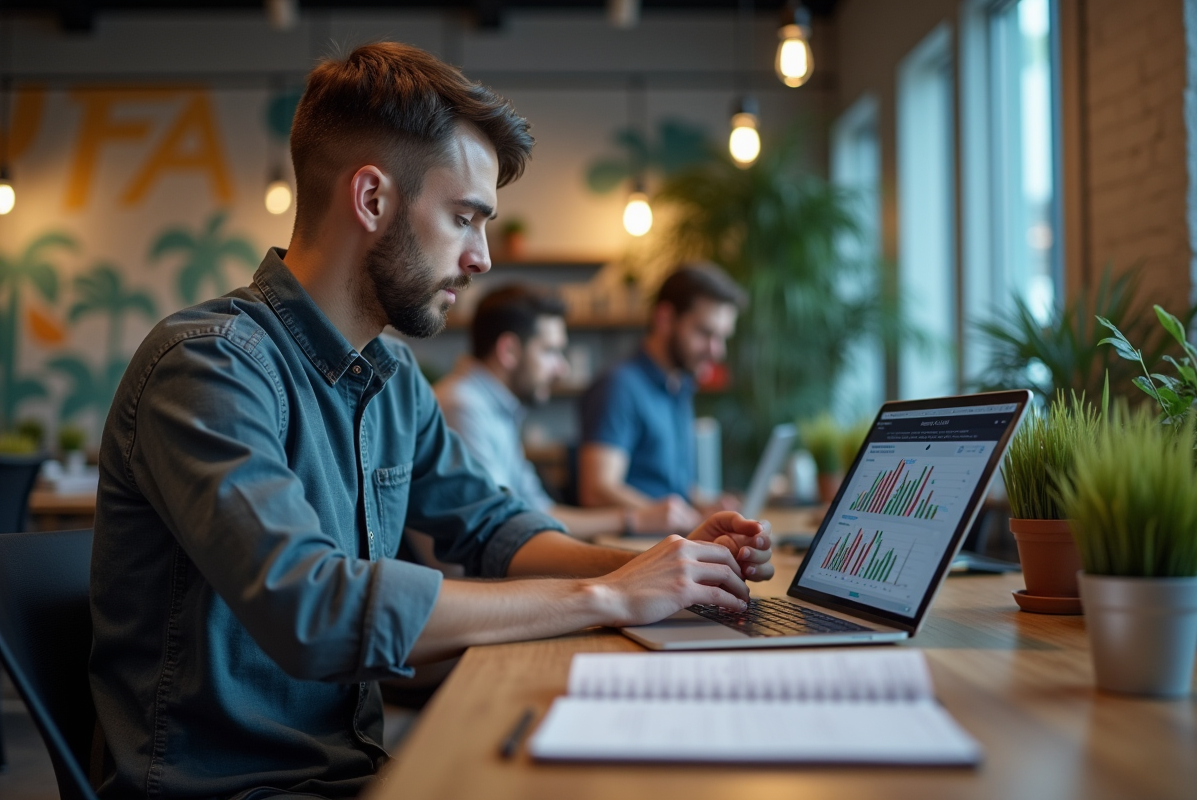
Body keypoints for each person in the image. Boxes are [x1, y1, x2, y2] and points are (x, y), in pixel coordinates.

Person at [89, 43, 773, 800]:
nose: (482, 258)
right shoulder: (208, 368)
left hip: (356, 772)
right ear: (373, 199)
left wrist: (664, 566)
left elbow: (492, 527)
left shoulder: (392, 378)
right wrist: (608, 596)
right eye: (464, 218)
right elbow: (312, 608)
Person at [435, 284, 698, 538]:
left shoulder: (495, 409)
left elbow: (540, 512)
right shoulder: (463, 407)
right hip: (472, 581)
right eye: (551, 351)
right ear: (510, 350)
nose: (562, 369)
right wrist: (634, 519)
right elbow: (503, 527)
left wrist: (636, 519)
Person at [578, 264, 746, 516]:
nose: (717, 351)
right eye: (705, 333)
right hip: (639, 549)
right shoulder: (619, 386)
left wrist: (706, 505)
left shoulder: (680, 384)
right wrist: (678, 517)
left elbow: (670, 486)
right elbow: (597, 490)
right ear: (665, 319)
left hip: (673, 539)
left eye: (722, 337)